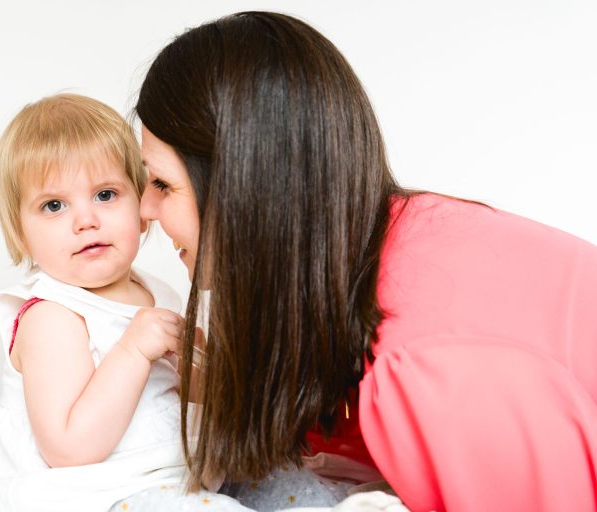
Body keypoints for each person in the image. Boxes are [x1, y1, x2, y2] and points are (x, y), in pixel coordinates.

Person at [136, 11, 597, 512]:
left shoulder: (423, 367)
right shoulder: (412, 232)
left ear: (248, 193)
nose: (143, 211)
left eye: (162, 184)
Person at [0, 94, 249, 511]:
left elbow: (180, 399)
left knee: (287, 478)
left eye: (106, 194)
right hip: (87, 493)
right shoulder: (52, 317)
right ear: (21, 234)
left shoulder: (155, 292)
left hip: (162, 474)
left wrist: (194, 368)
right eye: (54, 205)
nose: (86, 220)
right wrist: (132, 351)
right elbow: (69, 450)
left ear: (144, 206)